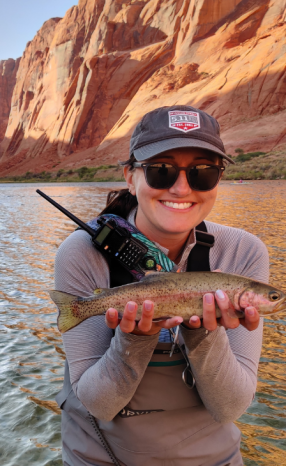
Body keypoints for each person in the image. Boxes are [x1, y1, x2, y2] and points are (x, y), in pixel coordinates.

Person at [54, 105, 268, 466]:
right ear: (130, 176)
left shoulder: (245, 252)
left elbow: (230, 407)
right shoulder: (81, 252)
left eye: (203, 172)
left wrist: (202, 331)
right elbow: (99, 404)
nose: (181, 187)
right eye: (160, 170)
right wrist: (135, 338)